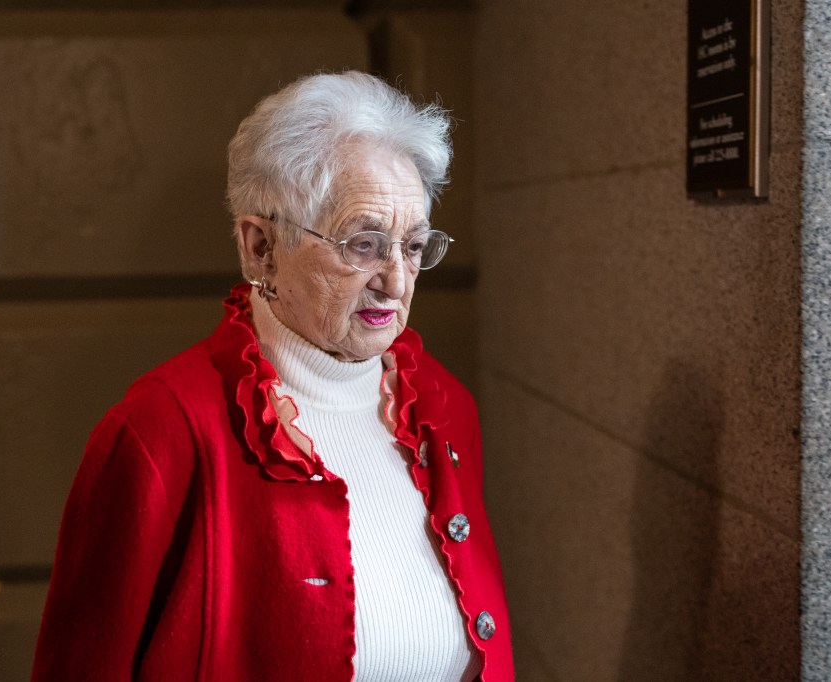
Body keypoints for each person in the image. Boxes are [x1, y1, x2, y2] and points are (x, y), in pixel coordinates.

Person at [32, 71, 513, 681]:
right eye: (363, 244)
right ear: (261, 247)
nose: (396, 280)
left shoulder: (444, 409)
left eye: (413, 246)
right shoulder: (160, 432)